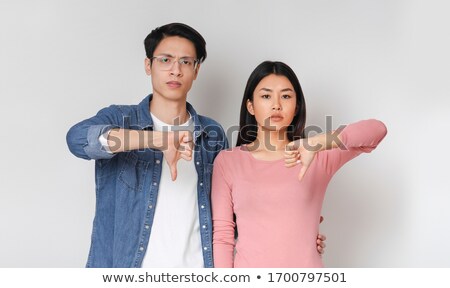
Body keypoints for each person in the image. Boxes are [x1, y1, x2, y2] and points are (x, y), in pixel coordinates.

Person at [66, 23, 327, 268]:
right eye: (165, 60)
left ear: (196, 70)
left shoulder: (211, 134)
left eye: (186, 62)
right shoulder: (121, 119)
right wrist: (157, 139)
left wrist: (296, 234)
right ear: (148, 65)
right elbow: (77, 139)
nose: (175, 70)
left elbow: (234, 218)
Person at [211, 61, 387, 268]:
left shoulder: (317, 156)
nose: (276, 104)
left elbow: (377, 130)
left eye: (286, 96)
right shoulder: (228, 161)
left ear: (296, 107)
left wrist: (317, 143)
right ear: (250, 106)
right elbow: (223, 236)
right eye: (266, 96)